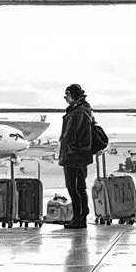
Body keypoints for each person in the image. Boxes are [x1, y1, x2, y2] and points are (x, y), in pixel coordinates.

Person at [58, 84, 95, 229]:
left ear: (74, 95)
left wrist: (67, 148)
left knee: (75, 187)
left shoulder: (78, 112)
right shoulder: (82, 110)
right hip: (77, 155)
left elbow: (71, 135)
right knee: (78, 187)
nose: (65, 97)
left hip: (74, 156)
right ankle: (79, 216)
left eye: (67, 94)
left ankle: (79, 217)